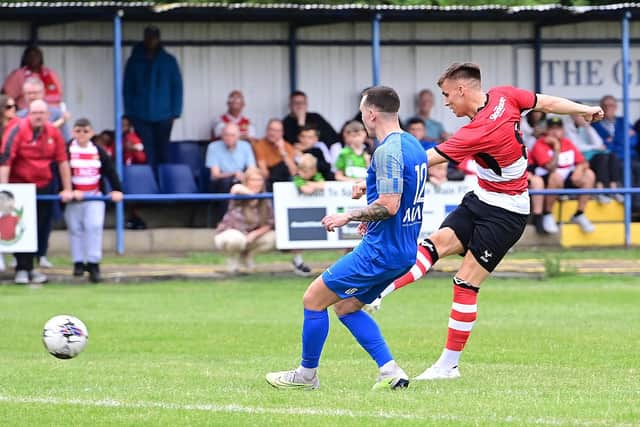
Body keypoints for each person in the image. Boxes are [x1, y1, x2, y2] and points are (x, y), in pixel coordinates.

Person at [365, 63, 603, 381]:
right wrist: (584, 109)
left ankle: (448, 366)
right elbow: (547, 102)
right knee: (433, 245)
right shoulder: (505, 95)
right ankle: (383, 292)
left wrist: (378, 174)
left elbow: (423, 158)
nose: (447, 102)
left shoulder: (478, 131)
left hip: (508, 212)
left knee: (465, 282)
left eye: (448, 95)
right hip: (481, 197)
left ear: (463, 90)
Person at [266, 86, 428, 391]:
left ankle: (306, 375)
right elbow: (400, 184)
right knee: (346, 306)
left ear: (370, 113)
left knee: (314, 299)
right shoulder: (412, 145)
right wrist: (368, 184)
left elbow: (390, 205)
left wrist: (348, 215)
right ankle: (390, 371)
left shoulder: (386, 151)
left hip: (380, 250)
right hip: (405, 251)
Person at [0, 99, 73, 284]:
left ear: (48, 115)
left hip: (44, 187)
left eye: (42, 113)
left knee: (41, 228)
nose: (38, 116)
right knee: (22, 228)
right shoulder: (17, 129)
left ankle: (34, 266)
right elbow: (6, 160)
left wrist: (67, 188)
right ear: (29, 114)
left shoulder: (53, 133)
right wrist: (4, 189)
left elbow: (62, 161)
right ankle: (22, 268)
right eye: (34, 113)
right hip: (21, 187)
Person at [65, 118, 123, 283]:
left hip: (94, 195)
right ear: (73, 132)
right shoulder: (67, 149)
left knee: (94, 227)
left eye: (85, 131)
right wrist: (67, 191)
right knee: (75, 229)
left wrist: (117, 189)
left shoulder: (98, 151)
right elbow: (59, 170)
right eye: (78, 131)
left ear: (92, 133)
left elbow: (110, 171)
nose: (82, 134)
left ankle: (93, 262)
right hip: (74, 198)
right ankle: (77, 262)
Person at [123, 25, 183, 170]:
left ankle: (164, 186)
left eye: (154, 38)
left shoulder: (168, 60)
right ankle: (150, 185)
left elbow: (177, 87)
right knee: (146, 152)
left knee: (164, 151)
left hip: (164, 115)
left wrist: (175, 112)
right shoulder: (134, 61)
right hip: (140, 115)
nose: (151, 41)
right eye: (148, 37)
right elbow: (127, 89)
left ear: (158, 39)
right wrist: (130, 113)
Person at [529, 117, 596, 234]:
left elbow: (583, 162)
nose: (555, 132)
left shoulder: (567, 142)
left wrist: (579, 170)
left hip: (566, 179)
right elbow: (551, 167)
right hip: (546, 179)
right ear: (547, 131)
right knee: (556, 176)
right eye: (552, 129)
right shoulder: (540, 144)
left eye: (558, 129)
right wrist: (556, 147)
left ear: (563, 130)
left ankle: (579, 213)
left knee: (589, 174)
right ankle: (547, 214)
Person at [214, 168, 275, 273]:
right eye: (253, 180)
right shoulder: (239, 194)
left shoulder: (265, 199)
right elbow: (235, 188)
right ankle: (233, 260)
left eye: (259, 180)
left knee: (275, 237)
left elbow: (269, 223)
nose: (256, 183)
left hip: (251, 236)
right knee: (236, 240)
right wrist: (252, 194)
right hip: (230, 233)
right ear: (247, 181)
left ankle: (247, 257)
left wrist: (255, 234)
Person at [591, 95, 640, 214]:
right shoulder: (596, 124)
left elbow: (634, 141)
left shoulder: (623, 120)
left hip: (630, 156)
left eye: (611, 105)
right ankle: (633, 207)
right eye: (605, 106)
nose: (608, 108)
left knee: (637, 167)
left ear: (616, 107)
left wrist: (613, 139)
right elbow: (602, 145)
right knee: (624, 168)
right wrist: (623, 137)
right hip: (612, 158)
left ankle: (637, 203)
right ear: (601, 108)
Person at [563, 113, 622, 204]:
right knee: (601, 158)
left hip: (590, 156)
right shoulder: (567, 128)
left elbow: (599, 143)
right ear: (573, 116)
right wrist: (594, 148)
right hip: (579, 160)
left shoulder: (587, 127)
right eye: (580, 115)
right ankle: (599, 191)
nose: (583, 118)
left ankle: (614, 190)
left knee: (612, 156)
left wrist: (587, 127)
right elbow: (576, 147)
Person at [205, 123, 256, 225]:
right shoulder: (213, 147)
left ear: (238, 136)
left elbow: (252, 169)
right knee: (226, 183)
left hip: (241, 179)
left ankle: (253, 221)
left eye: (232, 135)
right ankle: (225, 221)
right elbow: (215, 174)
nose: (229, 138)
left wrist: (244, 177)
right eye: (226, 135)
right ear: (222, 136)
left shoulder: (245, 146)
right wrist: (234, 174)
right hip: (220, 182)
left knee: (257, 182)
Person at [2, 46, 63, 110]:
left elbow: (59, 93)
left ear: (41, 58)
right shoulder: (18, 74)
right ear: (25, 58)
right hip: (26, 114)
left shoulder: (51, 74)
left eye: (36, 55)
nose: (34, 58)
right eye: (30, 55)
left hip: (51, 114)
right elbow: (6, 97)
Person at [17, 77, 70, 141]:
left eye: (35, 93)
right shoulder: (18, 116)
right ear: (24, 95)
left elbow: (66, 141)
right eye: (29, 93)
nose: (32, 96)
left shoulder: (57, 114)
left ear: (43, 93)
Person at [252, 119, 297, 191]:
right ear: (266, 130)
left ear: (282, 133)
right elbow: (264, 172)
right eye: (271, 129)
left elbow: (294, 173)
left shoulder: (288, 147)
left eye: (276, 131)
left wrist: (283, 153)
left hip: (286, 181)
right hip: (269, 180)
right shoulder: (260, 145)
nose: (272, 133)